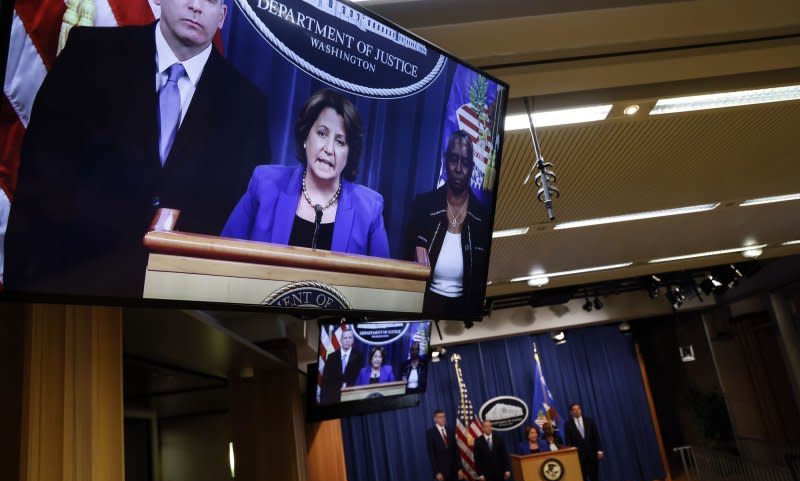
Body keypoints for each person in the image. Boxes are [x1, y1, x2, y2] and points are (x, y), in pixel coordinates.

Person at [4, 0, 269, 298]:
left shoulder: (248, 107)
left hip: (178, 310)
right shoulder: (89, 55)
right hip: (68, 289)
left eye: (210, 1)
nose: (196, 7)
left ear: (222, 16)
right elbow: (38, 178)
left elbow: (238, 224)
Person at [222, 88, 390, 257]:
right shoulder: (265, 183)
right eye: (322, 133)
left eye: (340, 142)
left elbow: (384, 281)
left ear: (349, 153)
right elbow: (224, 256)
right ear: (305, 136)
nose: (329, 149)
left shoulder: (369, 209)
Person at [407, 130, 491, 317]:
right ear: (445, 161)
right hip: (423, 305)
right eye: (454, 159)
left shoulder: (482, 218)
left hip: (462, 310)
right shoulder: (423, 205)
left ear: (472, 168)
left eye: (466, 162)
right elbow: (404, 261)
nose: (459, 169)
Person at [564, 402, 608, 481]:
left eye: (578, 409)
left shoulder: (590, 421)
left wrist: (599, 450)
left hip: (592, 456)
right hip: (579, 459)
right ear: (571, 412)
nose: (577, 411)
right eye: (574, 409)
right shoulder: (567, 424)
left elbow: (596, 437)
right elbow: (568, 442)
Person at [318, 328, 364, 404]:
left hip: (352, 398)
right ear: (341, 341)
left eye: (350, 338)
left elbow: (361, 378)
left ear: (353, 340)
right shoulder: (331, 357)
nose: (347, 340)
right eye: (345, 338)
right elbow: (325, 382)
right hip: (333, 399)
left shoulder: (359, 356)